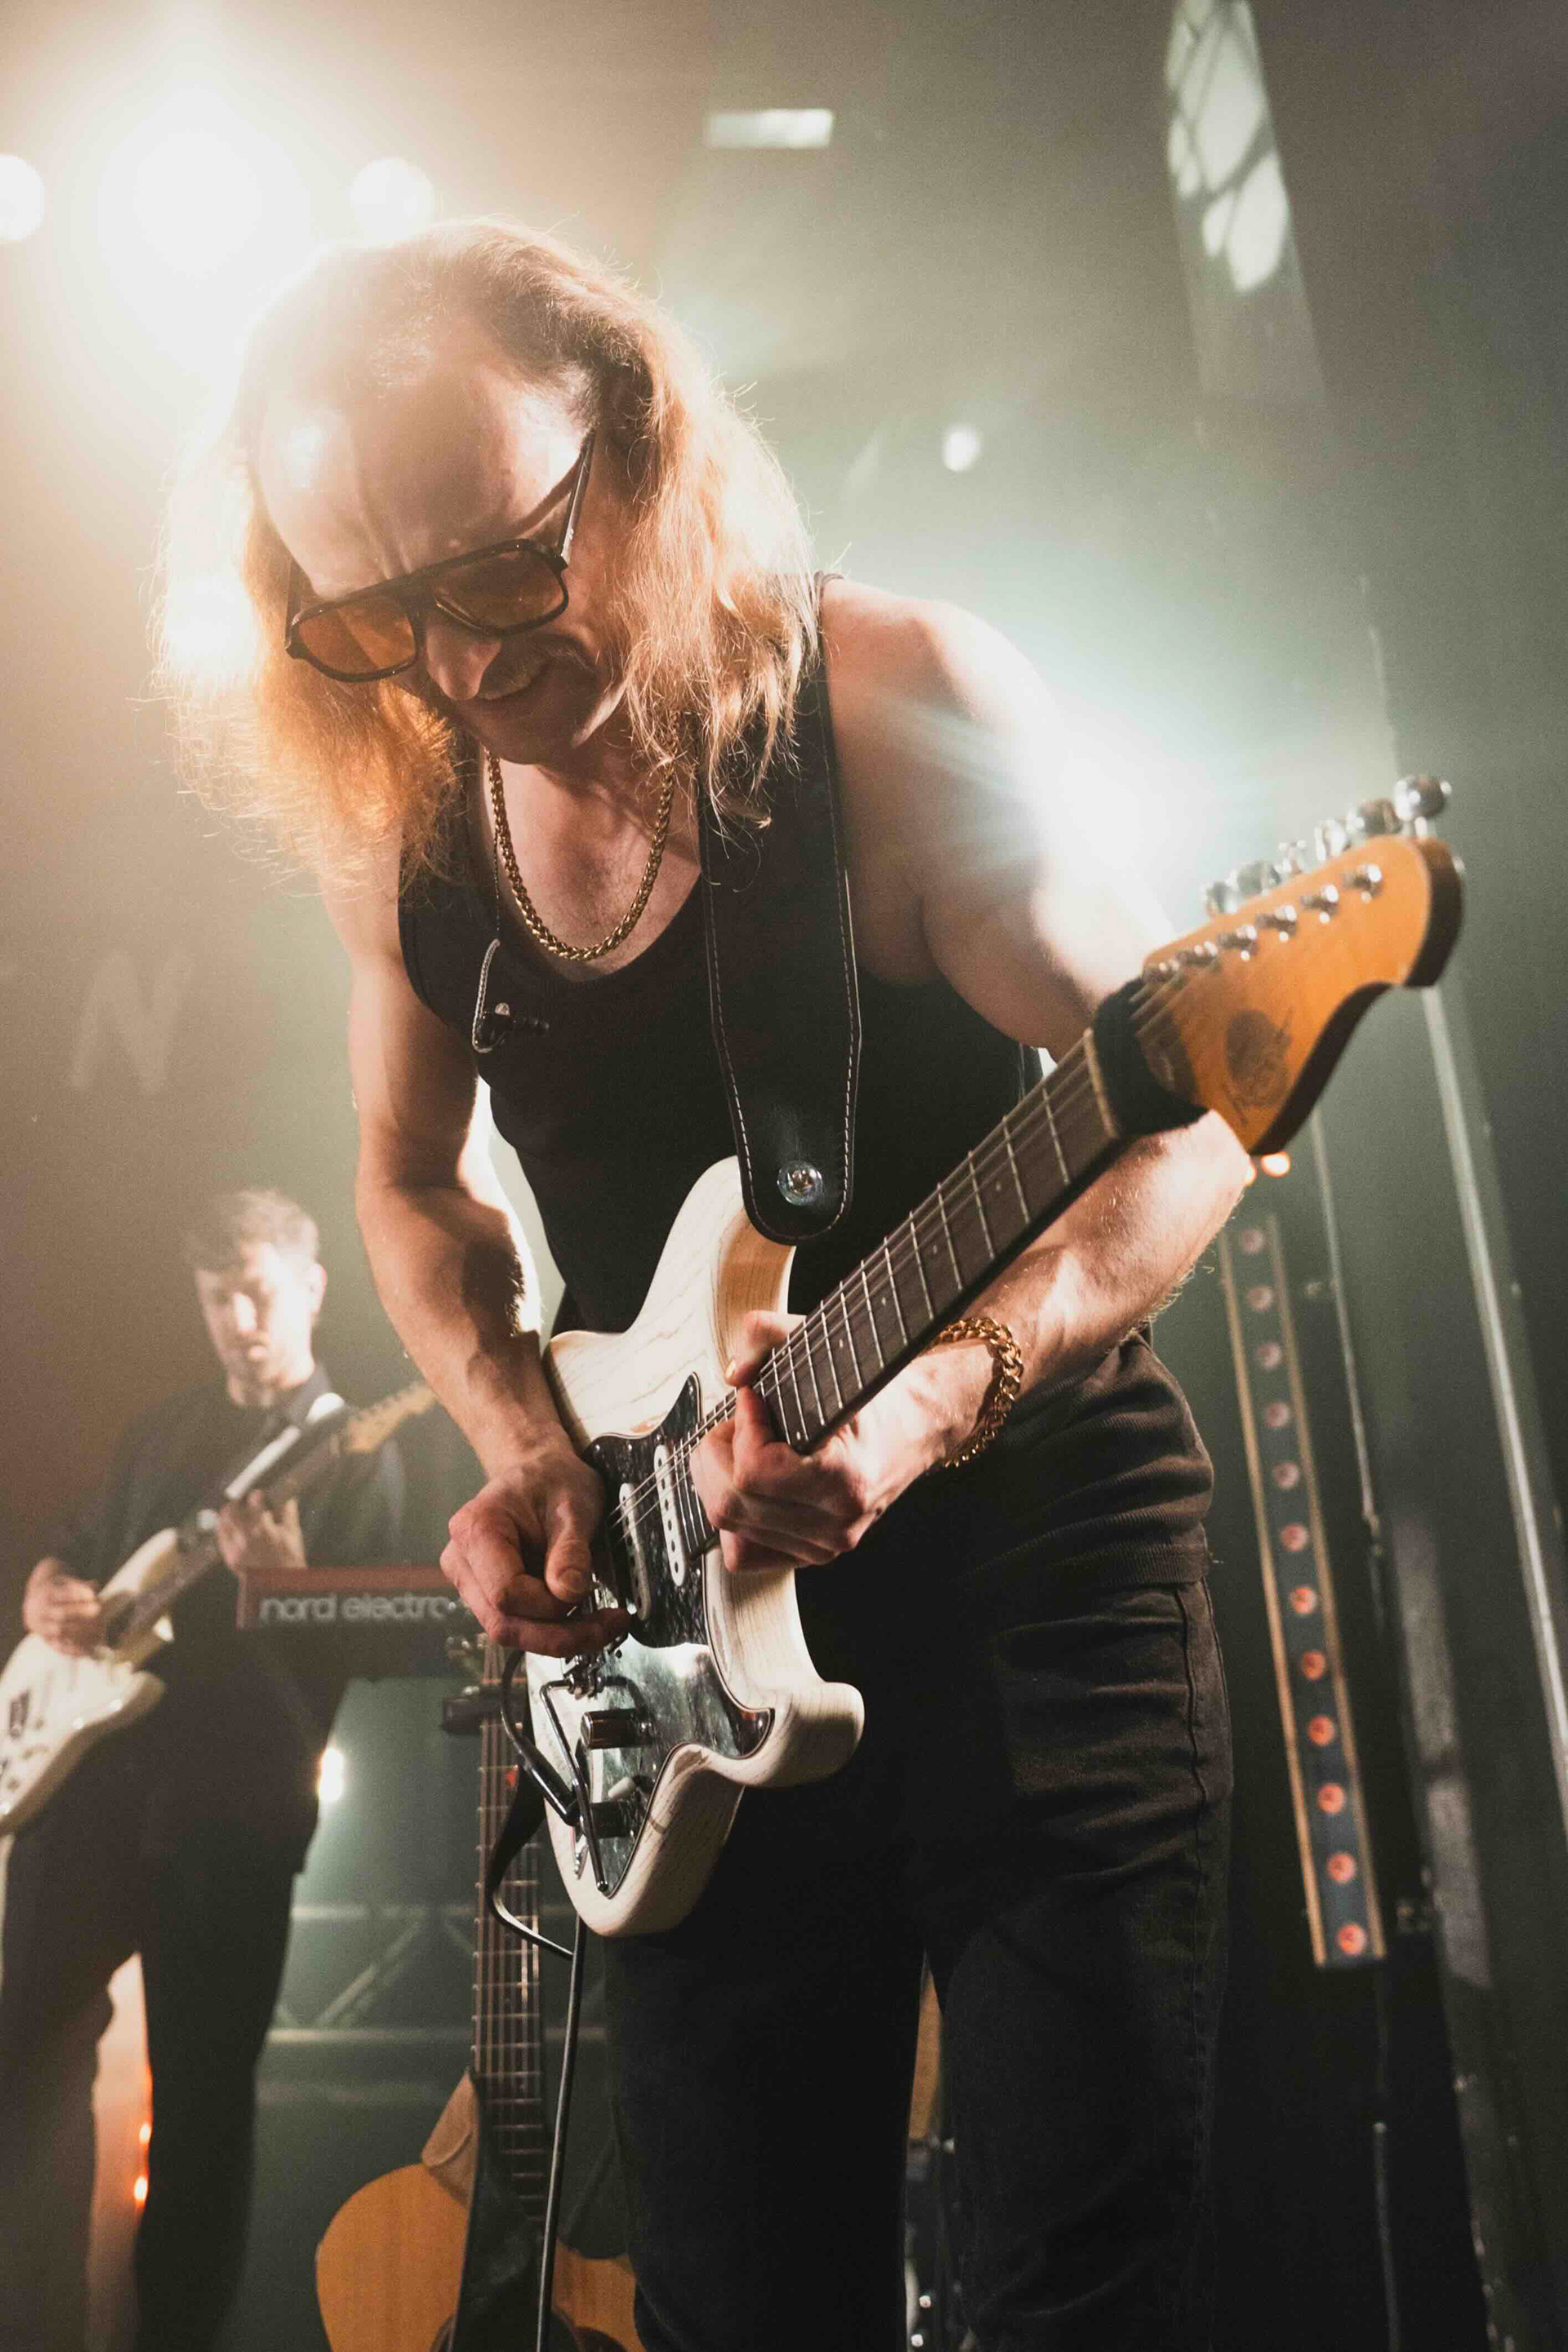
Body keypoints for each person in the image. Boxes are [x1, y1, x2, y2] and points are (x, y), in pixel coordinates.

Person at [162, 225, 1252, 2352]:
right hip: (682, 1670)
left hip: (1034, 1584)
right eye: (370, 621)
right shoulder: (407, 826)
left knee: (1080, 2293)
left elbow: (1193, 1109)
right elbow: (406, 1185)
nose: (457, 669)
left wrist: (933, 1396)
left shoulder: (889, 705)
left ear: (642, 448)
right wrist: (519, 1443)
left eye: (502, 574)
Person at [0, 1189, 406, 2352]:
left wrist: (284, 1589)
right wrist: (45, 1589)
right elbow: (78, 1548)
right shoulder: (163, 1431)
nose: (240, 1320)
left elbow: (375, 1648)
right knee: (23, 2062)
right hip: (87, 1794)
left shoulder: (356, 1454)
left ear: (311, 1289)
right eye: (219, 1299)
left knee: (201, 2115)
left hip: (234, 1815)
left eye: (259, 1294)